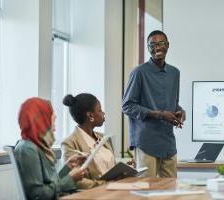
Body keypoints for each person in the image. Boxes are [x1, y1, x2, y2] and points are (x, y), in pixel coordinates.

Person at [122, 30, 186, 178]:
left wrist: (180, 112)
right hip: (146, 141)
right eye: (153, 44)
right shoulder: (139, 72)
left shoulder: (174, 73)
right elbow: (127, 106)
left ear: (168, 45)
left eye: (161, 43)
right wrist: (159, 114)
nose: (157, 47)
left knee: (171, 190)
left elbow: (173, 103)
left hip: (168, 141)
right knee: (146, 190)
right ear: (148, 48)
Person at [14, 97, 86, 200]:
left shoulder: (36, 146)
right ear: (41, 121)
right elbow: (39, 196)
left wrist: (68, 166)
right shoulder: (27, 149)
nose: (55, 128)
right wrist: (70, 179)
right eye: (53, 121)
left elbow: (51, 184)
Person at [62, 93, 116, 189]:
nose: (103, 113)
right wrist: (105, 185)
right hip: (95, 194)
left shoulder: (104, 138)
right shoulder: (69, 143)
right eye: (99, 110)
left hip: (115, 190)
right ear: (90, 115)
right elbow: (76, 180)